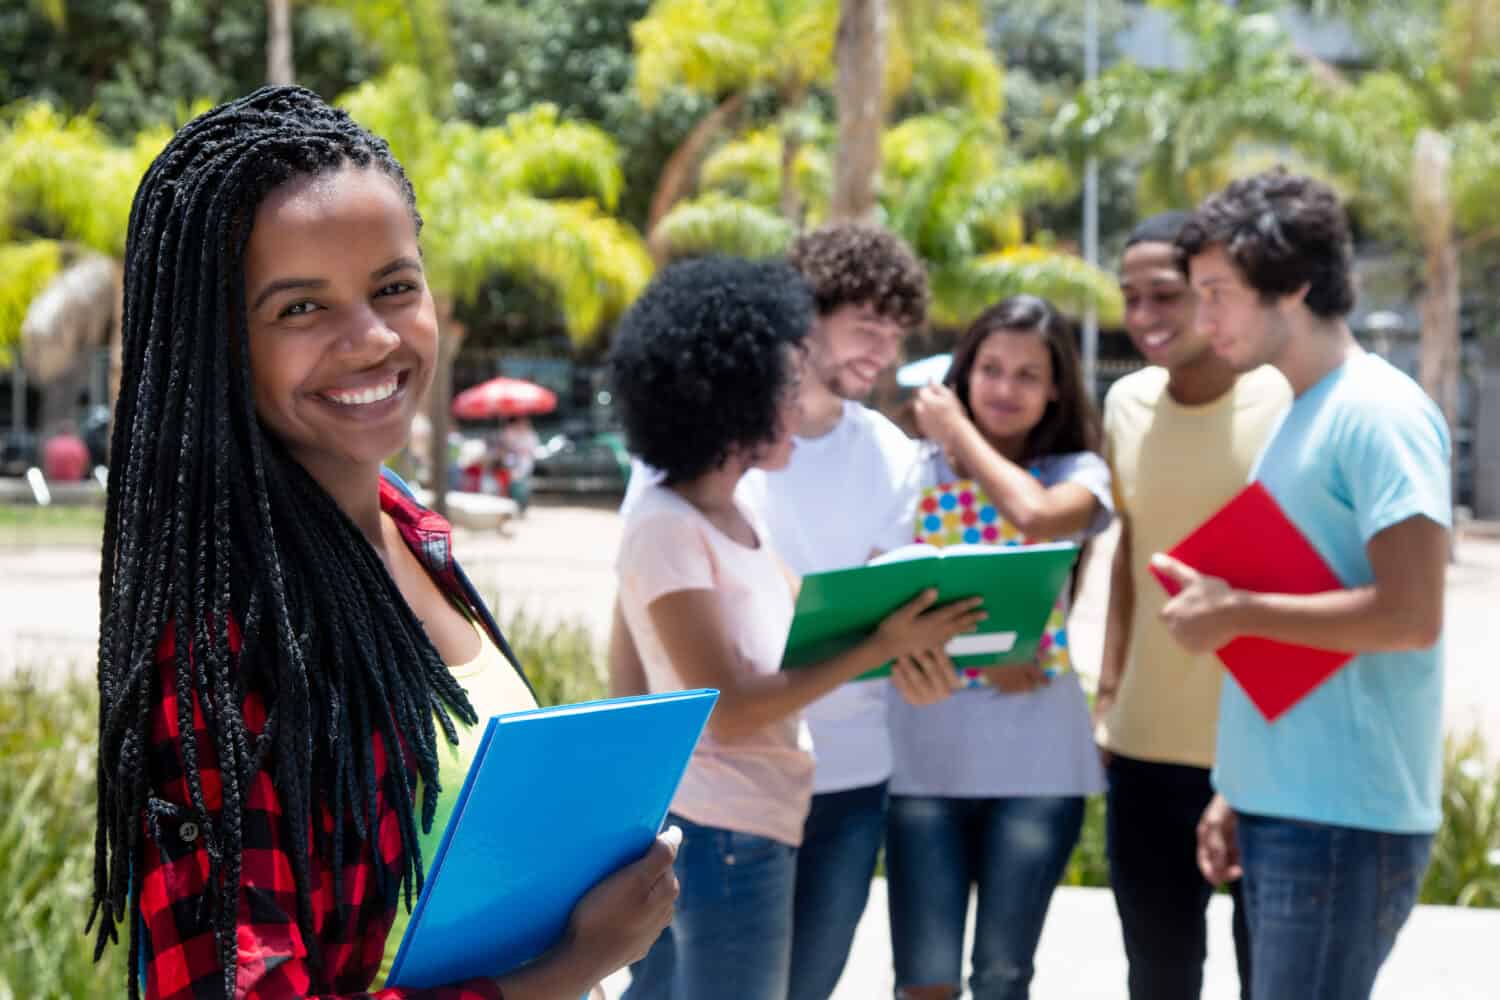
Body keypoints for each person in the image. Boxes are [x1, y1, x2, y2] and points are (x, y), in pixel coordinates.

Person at [90, 86, 678, 1000]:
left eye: (394, 287)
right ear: (218, 345)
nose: (372, 339)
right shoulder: (219, 642)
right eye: (299, 309)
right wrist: (568, 969)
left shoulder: (408, 525)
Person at [610, 255, 984, 1000]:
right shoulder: (665, 522)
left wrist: (911, 639)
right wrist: (883, 645)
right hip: (719, 829)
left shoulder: (738, 512)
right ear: (732, 401)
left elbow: (806, 637)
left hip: (764, 819)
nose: (797, 407)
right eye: (782, 388)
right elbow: (735, 703)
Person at [1160, 168, 1450, 1000]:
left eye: (1217, 293)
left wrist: (1235, 610)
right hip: (1289, 809)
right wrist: (1236, 788)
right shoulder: (1297, 411)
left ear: (1291, 283)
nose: (1200, 318)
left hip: (1342, 819)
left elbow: (1411, 615)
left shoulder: (1377, 413)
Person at [888, 295, 1115, 1000]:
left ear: (1055, 391)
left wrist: (957, 430)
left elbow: (1036, 515)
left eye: (1027, 374)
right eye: (990, 368)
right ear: (963, 372)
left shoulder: (1080, 473)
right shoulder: (907, 466)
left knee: (1003, 975)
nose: (1005, 388)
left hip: (1037, 767)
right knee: (923, 981)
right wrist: (985, 652)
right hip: (922, 761)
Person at [1095, 212, 1290, 1000]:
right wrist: (1106, 699)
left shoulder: (1284, 402)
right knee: (1159, 979)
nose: (1144, 318)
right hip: (1142, 752)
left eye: (1165, 296)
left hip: (1260, 755)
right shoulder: (1125, 404)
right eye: (1130, 297)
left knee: (1268, 980)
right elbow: (1131, 560)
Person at [500, 415, 541, 514]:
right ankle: (513, 507)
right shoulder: (511, 433)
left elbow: (533, 450)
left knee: (523, 488)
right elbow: (506, 447)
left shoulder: (531, 435)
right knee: (513, 487)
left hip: (525, 465)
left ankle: (522, 507)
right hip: (513, 465)